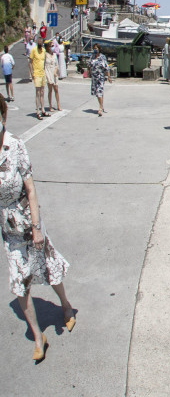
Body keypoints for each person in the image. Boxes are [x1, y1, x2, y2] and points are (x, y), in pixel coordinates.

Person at [0, 108, 75, 362]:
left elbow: (30, 189)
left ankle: (65, 305)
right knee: (20, 284)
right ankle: (38, 338)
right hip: (9, 230)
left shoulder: (16, 145)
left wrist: (36, 228)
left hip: (28, 222)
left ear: (3, 117)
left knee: (47, 267)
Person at [89, 46, 111, 117]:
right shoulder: (92, 57)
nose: (95, 50)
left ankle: (100, 109)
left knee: (99, 92)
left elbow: (107, 67)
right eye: (94, 48)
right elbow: (89, 65)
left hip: (100, 77)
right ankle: (101, 105)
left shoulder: (102, 57)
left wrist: (109, 77)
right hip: (94, 78)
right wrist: (89, 73)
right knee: (98, 93)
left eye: (96, 48)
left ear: (99, 49)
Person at [29, 41, 48, 119]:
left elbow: (45, 62)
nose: (41, 47)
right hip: (36, 73)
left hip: (42, 73)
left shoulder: (43, 50)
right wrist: (32, 73)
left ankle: (42, 109)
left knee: (42, 92)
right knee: (38, 92)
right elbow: (30, 62)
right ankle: (37, 111)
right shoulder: (34, 50)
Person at [43, 43, 61, 112]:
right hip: (48, 72)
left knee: (56, 89)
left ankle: (58, 105)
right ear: (48, 47)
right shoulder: (45, 55)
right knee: (50, 90)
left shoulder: (54, 55)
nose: (52, 47)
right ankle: (50, 105)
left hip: (54, 73)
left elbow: (56, 65)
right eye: (51, 46)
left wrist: (55, 72)